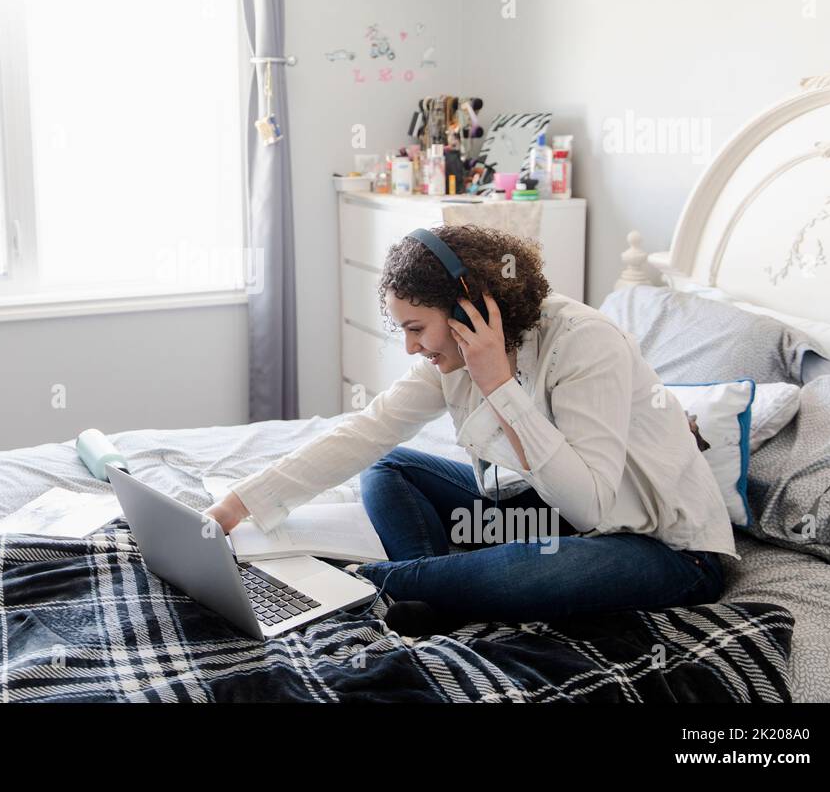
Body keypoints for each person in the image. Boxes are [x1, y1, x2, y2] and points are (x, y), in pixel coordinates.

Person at [204, 224, 734, 635]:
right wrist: (232, 508)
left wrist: (500, 385)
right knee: (391, 468)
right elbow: (368, 431)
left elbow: (590, 506)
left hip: (664, 545)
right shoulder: (454, 355)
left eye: (416, 328)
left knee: (530, 570)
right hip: (552, 511)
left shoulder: (583, 342)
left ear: (470, 309)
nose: (411, 347)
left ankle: (353, 586)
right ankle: (434, 589)